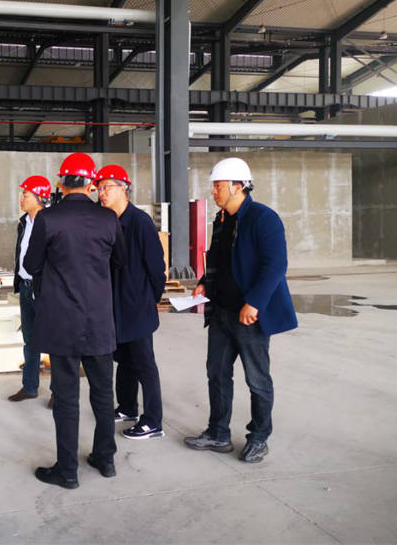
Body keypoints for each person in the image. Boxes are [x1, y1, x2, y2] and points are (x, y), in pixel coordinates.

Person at [23, 152, 126, 489]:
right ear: (91, 183)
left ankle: (67, 471)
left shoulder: (48, 219)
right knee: (103, 394)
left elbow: (31, 264)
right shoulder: (108, 219)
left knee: (66, 397)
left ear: (61, 182)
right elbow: (120, 260)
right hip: (99, 321)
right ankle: (105, 459)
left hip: (62, 322)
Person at [185, 157, 297, 463]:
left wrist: (255, 302)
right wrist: (204, 283)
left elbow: (275, 265)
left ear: (238, 186)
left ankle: (259, 438)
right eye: (214, 187)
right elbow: (218, 259)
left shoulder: (264, 218)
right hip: (222, 313)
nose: (214, 192)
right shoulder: (222, 219)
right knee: (217, 374)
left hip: (249, 317)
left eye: (218, 186)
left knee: (257, 379)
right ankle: (218, 433)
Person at [95, 164, 167, 440]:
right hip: (114, 305)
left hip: (136, 306)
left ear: (123, 189)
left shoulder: (140, 222)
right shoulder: (105, 220)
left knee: (144, 363)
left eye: (107, 187)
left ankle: (153, 421)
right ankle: (127, 407)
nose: (101, 193)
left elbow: (156, 267)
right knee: (124, 359)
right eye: (99, 188)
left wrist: (148, 299)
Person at [8, 175, 52, 406]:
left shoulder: (51, 222)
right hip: (26, 287)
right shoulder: (24, 222)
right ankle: (30, 387)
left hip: (45, 289)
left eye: (25, 195)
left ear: (39, 197)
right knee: (30, 340)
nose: (21, 199)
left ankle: (58, 393)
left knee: (54, 341)